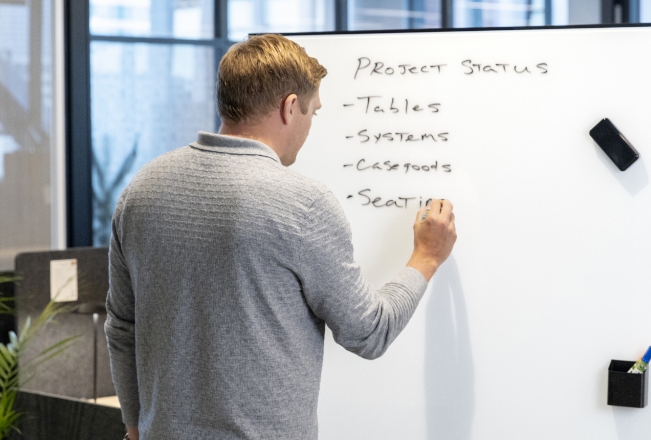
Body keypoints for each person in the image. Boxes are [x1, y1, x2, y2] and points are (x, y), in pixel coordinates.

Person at [105, 34, 457, 440]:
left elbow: (121, 327)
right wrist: (427, 257)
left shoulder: (141, 189)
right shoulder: (303, 204)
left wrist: (134, 427)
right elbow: (369, 332)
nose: (309, 126)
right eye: (313, 112)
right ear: (290, 107)